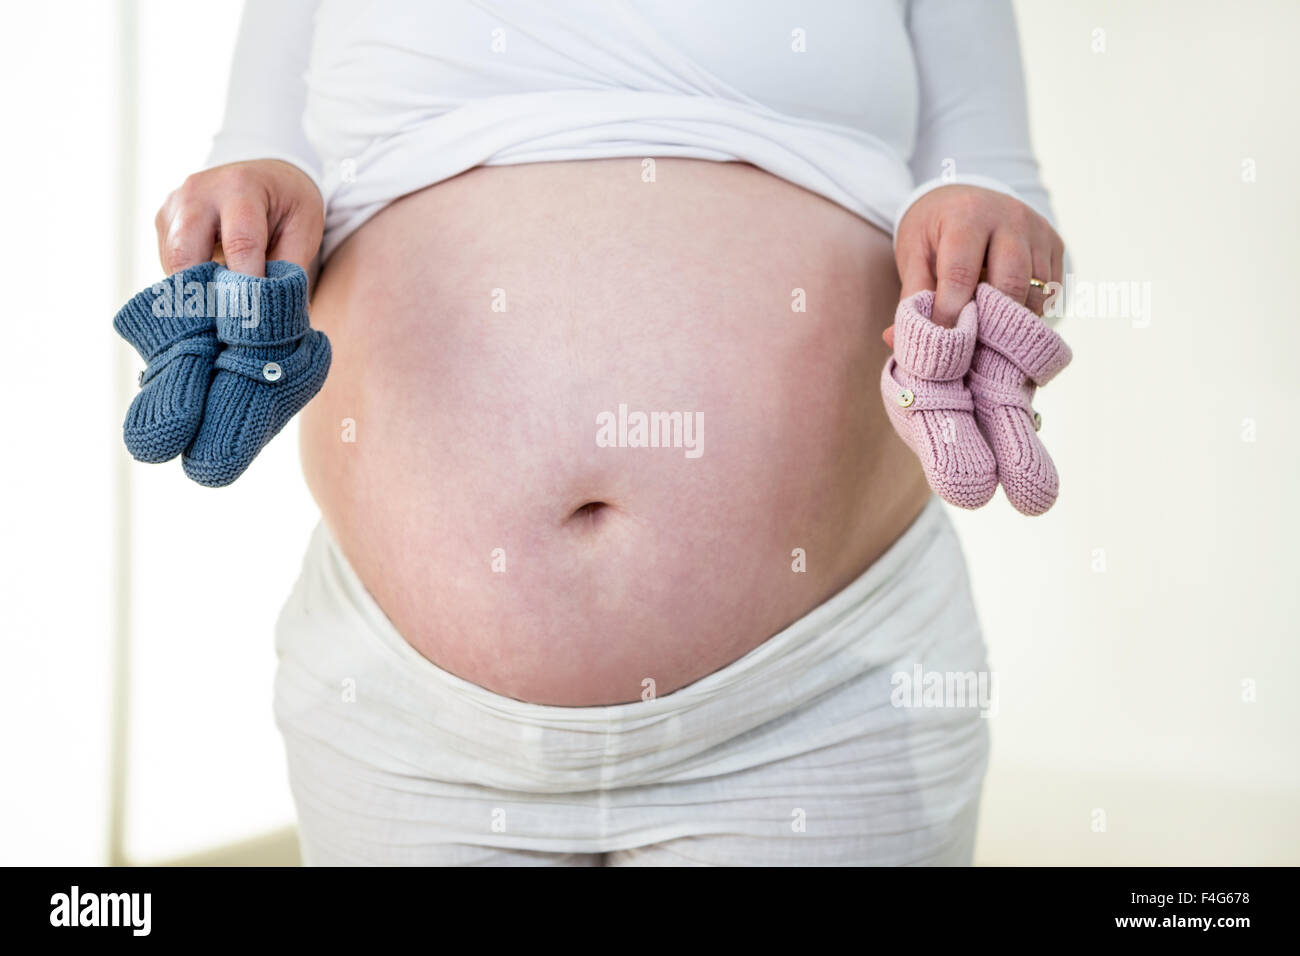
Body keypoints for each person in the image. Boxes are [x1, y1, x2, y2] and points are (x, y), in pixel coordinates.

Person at [155, 0, 1065, 865]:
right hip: (409, 723)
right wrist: (243, 217)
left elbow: (998, 189)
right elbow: (260, 163)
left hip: (822, 695)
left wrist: (987, 244)